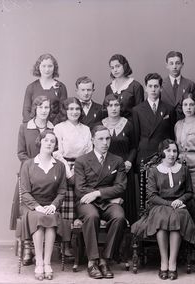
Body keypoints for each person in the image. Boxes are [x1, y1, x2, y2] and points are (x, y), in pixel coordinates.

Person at [131, 139, 195, 280]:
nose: (172, 154)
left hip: (179, 206)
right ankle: (163, 262)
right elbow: (152, 196)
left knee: (177, 218)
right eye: (168, 151)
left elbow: (189, 192)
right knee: (162, 219)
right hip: (159, 206)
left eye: (174, 151)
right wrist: (168, 203)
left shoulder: (183, 169)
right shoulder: (154, 171)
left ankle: (172, 263)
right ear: (162, 152)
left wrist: (180, 200)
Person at [74, 125, 127, 279]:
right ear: (93, 140)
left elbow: (121, 187)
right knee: (92, 216)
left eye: (108, 138)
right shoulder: (82, 160)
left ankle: (105, 259)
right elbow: (80, 189)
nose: (105, 142)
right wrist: (105, 195)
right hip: (86, 203)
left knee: (119, 216)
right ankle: (92, 261)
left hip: (106, 201)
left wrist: (98, 193)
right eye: (101, 139)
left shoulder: (117, 160)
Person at [19, 130, 69, 280]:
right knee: (39, 218)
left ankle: (47, 263)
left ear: (55, 145)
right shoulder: (28, 164)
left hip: (50, 205)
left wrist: (53, 206)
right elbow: (25, 192)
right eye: (46, 140)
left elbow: (62, 191)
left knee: (51, 218)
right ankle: (39, 263)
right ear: (40, 141)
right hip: (31, 205)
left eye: (52, 141)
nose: (49, 143)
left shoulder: (59, 166)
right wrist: (37, 206)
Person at [12, 96, 55, 266]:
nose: (44, 110)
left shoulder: (54, 128)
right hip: (29, 174)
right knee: (28, 209)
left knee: (46, 209)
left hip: (48, 175)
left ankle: (44, 253)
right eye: (41, 107)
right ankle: (28, 248)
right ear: (35, 108)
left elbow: (54, 149)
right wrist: (34, 165)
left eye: (47, 107)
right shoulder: (25, 127)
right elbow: (21, 153)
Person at [53, 98, 93, 221]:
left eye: (77, 109)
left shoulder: (85, 129)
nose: (74, 112)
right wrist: (68, 170)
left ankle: (81, 234)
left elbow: (89, 151)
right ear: (65, 110)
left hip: (82, 165)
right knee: (66, 196)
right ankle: (66, 234)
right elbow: (57, 152)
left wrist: (78, 167)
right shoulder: (59, 127)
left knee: (81, 194)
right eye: (71, 109)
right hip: (63, 164)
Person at [102, 94, 137, 223]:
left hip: (125, 167)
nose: (113, 108)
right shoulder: (101, 124)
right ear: (106, 107)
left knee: (127, 200)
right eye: (110, 105)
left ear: (120, 107)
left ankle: (130, 236)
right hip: (107, 169)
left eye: (116, 105)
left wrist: (129, 161)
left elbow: (134, 146)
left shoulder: (128, 124)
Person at [132, 73, 175, 169]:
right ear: (146, 88)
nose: (153, 89)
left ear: (161, 88)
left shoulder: (169, 109)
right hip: (145, 154)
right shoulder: (137, 110)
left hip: (164, 154)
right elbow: (135, 138)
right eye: (150, 86)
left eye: (156, 86)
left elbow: (172, 136)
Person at [22, 53, 67, 124]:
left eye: (50, 66)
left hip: (55, 128)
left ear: (54, 67)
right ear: (38, 67)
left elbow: (63, 111)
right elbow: (26, 110)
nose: (47, 69)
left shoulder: (61, 87)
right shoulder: (31, 87)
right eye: (43, 66)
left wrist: (51, 127)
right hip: (35, 127)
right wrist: (34, 126)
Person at [105, 54, 144, 119]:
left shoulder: (136, 86)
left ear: (125, 66)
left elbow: (139, 113)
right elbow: (107, 111)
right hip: (112, 126)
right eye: (112, 67)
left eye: (117, 66)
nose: (115, 70)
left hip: (130, 126)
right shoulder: (109, 88)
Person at [161, 51, 195, 120]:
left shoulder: (190, 84)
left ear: (182, 64)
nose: (174, 67)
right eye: (171, 63)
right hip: (165, 122)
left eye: (177, 63)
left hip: (185, 122)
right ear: (167, 65)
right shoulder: (161, 84)